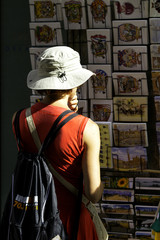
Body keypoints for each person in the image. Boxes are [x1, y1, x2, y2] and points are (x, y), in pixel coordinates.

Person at [12, 46, 104, 240]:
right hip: (73, 223)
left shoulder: (19, 119)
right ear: (74, 84)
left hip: (33, 222)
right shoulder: (86, 128)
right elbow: (94, 194)